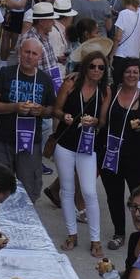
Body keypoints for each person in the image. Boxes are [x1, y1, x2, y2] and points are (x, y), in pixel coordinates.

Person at [53, 50, 112, 257]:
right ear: (85, 66)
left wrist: (95, 122)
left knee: (89, 192)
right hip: (66, 145)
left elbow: (103, 121)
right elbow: (56, 110)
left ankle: (95, 240)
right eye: (92, 66)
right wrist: (65, 117)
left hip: (87, 147)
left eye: (101, 67)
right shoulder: (71, 84)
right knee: (67, 191)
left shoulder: (105, 91)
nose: (96, 70)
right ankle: (72, 234)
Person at [100, 58, 140, 251]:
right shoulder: (111, 91)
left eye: (135, 72)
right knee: (114, 195)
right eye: (128, 71)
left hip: (138, 156)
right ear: (121, 74)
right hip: (112, 154)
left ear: (139, 75)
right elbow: (102, 119)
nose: (132, 75)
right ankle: (119, 233)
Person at [0, 38, 55, 202]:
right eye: (26, 52)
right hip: (4, 139)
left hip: (30, 143)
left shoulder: (45, 80)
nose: (29, 56)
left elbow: (52, 109)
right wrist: (14, 107)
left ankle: (25, 225)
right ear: (19, 52)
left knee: (29, 189)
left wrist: (41, 111)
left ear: (39, 57)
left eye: (34, 53)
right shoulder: (5, 73)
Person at [111, 0, 140, 86]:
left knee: (118, 83)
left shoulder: (123, 14)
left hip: (121, 55)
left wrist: (111, 55)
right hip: (135, 56)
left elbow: (118, 38)